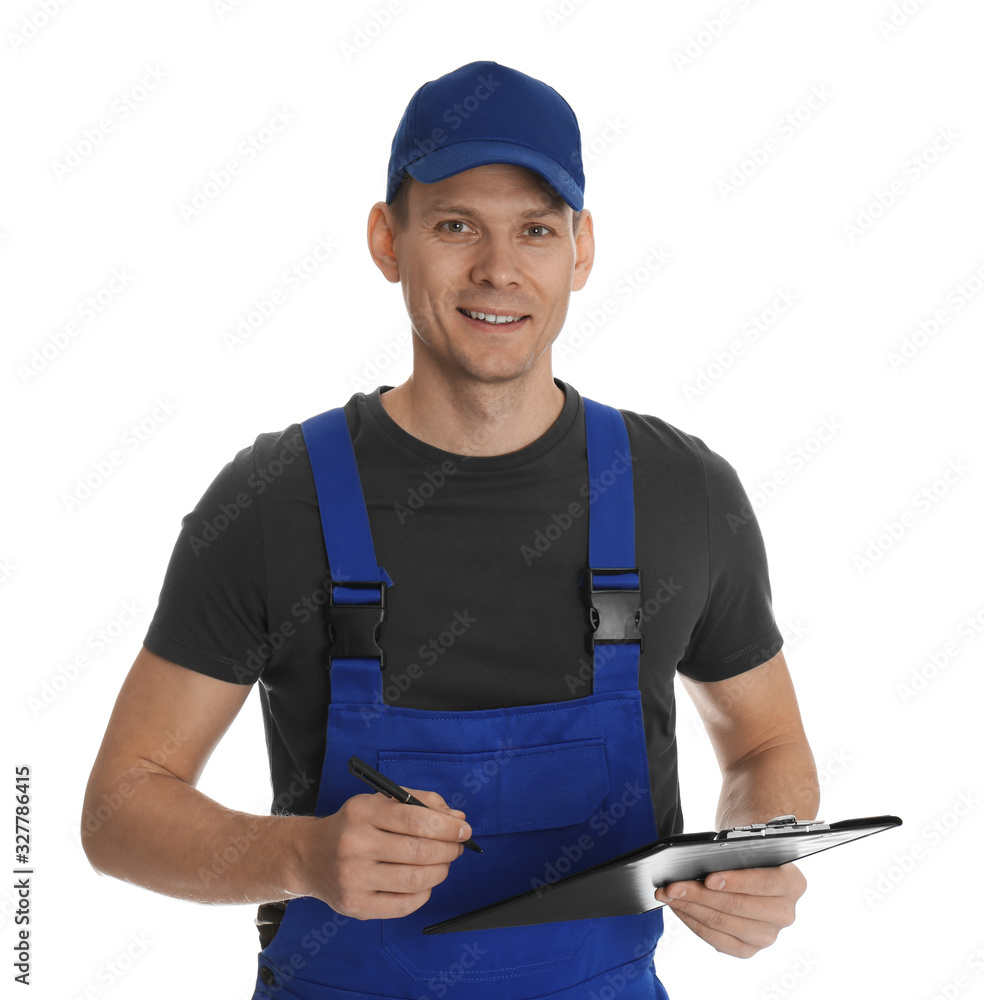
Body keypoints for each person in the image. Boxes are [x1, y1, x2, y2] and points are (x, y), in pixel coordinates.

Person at [82, 60, 819, 999]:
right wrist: (302, 857)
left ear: (582, 251)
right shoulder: (275, 499)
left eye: (537, 230)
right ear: (388, 239)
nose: (499, 269)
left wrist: (753, 854)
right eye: (456, 224)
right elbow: (118, 810)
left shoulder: (682, 492)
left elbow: (765, 749)